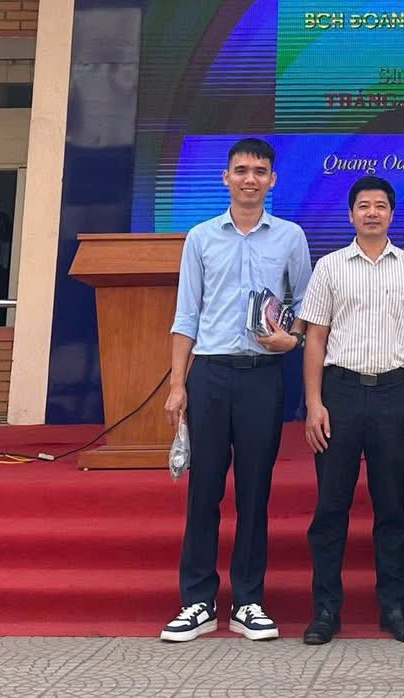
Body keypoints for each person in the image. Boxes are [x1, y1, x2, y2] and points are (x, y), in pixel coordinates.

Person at [159, 138, 313, 645]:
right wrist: (177, 385)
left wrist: (291, 339)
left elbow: (305, 308)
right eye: (241, 170)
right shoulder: (201, 237)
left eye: (260, 171)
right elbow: (186, 315)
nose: (250, 179)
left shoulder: (290, 237)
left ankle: (248, 600)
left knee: (254, 490)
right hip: (208, 375)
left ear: (273, 180)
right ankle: (197, 601)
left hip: (262, 376)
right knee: (204, 490)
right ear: (225, 178)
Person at [299, 174, 404, 646]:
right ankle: (325, 610)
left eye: (381, 205)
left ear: (392, 214)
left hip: (392, 395)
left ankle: (395, 607)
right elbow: (315, 338)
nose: (372, 212)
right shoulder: (330, 267)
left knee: (391, 507)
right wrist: (314, 403)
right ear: (351, 214)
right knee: (331, 506)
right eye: (364, 205)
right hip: (338, 394)